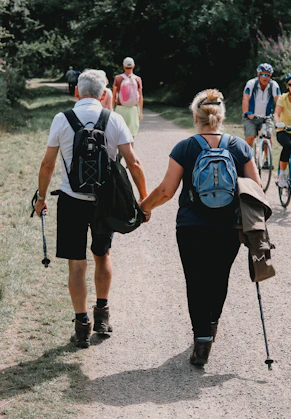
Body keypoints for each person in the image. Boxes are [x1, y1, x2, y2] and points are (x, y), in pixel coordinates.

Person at [140, 89, 261, 366]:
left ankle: (202, 340)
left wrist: (144, 207)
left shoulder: (185, 147)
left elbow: (167, 191)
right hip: (229, 227)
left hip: (191, 226)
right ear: (220, 117)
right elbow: (256, 188)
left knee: (195, 281)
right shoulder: (240, 147)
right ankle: (212, 324)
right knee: (219, 278)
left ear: (196, 117)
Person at [34, 69, 148, 349]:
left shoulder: (62, 119)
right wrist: (144, 199)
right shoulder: (114, 119)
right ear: (104, 93)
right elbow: (133, 163)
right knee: (102, 254)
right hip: (104, 202)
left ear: (77, 92)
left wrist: (41, 197)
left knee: (76, 263)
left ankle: (81, 326)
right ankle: (103, 317)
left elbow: (47, 164)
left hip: (71, 200)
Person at [242, 63, 280, 164]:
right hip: (251, 117)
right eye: (263, 75)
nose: (265, 77)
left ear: (270, 76)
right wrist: (247, 112)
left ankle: (267, 160)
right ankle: (248, 159)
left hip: (266, 117)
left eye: (268, 75)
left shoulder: (273, 85)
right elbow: (245, 98)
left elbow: (278, 101)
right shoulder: (251, 84)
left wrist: (278, 115)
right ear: (258, 75)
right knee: (250, 137)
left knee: (268, 136)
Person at [112, 56, 143, 142]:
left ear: (123, 66)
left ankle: (120, 151)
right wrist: (140, 111)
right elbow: (140, 96)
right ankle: (130, 151)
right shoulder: (137, 79)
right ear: (133, 66)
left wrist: (111, 108)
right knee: (132, 134)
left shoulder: (118, 78)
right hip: (133, 108)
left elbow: (114, 95)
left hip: (120, 108)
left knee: (119, 131)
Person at [274, 72, 291, 188]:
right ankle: (281, 176)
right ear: (287, 86)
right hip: (284, 130)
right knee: (287, 146)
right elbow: (276, 114)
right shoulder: (282, 98)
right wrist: (278, 123)